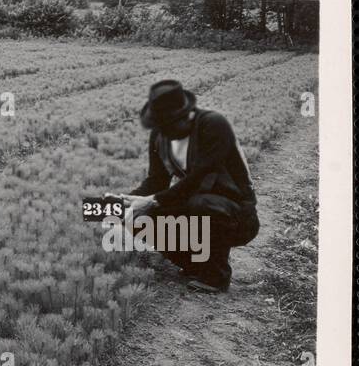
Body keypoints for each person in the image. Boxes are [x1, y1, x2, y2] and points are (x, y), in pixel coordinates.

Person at [110, 80, 259, 293]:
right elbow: (156, 181)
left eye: (168, 124)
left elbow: (200, 178)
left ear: (186, 115)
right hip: (195, 202)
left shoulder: (213, 125)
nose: (163, 131)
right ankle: (193, 264)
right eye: (159, 126)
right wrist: (126, 200)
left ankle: (216, 277)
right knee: (137, 217)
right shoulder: (161, 136)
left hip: (236, 215)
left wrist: (152, 201)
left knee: (202, 203)